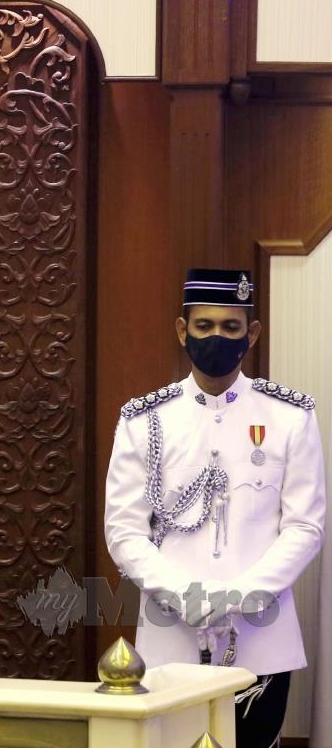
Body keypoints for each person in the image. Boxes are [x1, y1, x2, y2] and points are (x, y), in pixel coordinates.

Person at [105, 269, 325, 748]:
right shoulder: (145, 420)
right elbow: (124, 532)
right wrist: (188, 596)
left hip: (261, 642)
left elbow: (305, 527)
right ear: (183, 331)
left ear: (253, 332)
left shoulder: (289, 417)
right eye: (204, 327)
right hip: (171, 640)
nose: (218, 337)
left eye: (231, 327)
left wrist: (239, 596)